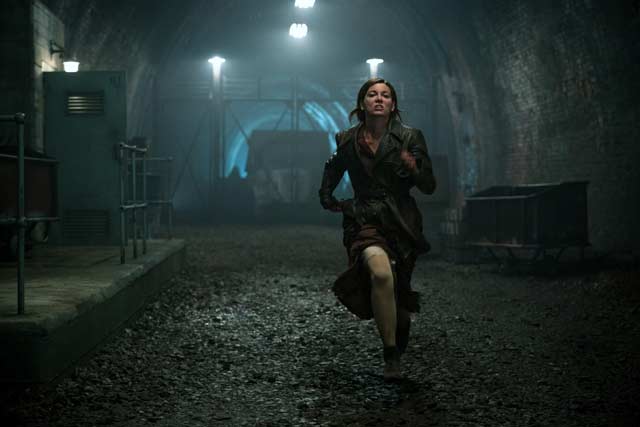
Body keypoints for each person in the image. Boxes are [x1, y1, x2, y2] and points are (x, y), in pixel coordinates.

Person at [318, 77, 436, 381]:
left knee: (398, 292)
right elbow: (333, 170)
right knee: (381, 274)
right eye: (372, 94)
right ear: (363, 103)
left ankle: (398, 323)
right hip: (364, 219)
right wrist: (332, 201)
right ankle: (390, 356)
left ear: (393, 104)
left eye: (385, 95)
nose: (379, 99)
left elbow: (429, 185)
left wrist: (414, 168)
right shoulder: (347, 139)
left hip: (401, 222)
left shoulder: (410, 137)